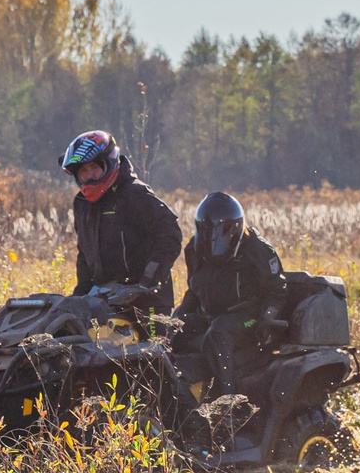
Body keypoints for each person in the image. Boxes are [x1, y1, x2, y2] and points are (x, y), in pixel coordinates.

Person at [173, 191, 287, 397]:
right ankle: (177, 392)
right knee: (170, 331)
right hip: (209, 314)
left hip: (248, 316)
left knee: (219, 332)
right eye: (207, 231)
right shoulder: (194, 250)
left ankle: (228, 401)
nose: (214, 238)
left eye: (220, 231)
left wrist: (267, 319)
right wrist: (175, 320)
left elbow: (278, 290)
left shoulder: (258, 250)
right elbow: (194, 290)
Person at [61, 130, 182, 315]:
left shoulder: (135, 194)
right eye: (83, 171)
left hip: (148, 301)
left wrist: (146, 282)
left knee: (154, 344)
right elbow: (85, 254)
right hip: (104, 299)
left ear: (108, 162)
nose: (89, 175)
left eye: (94, 167)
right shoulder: (82, 203)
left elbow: (170, 235)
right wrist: (80, 295)